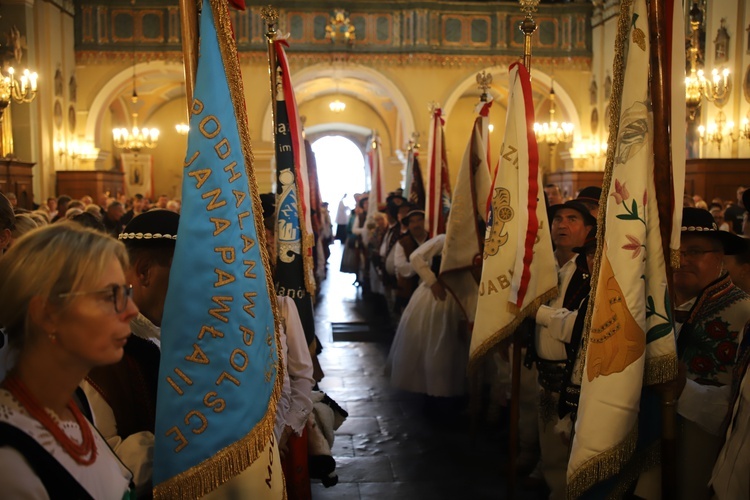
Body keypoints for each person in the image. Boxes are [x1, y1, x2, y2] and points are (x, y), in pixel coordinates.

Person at [0, 222, 137, 497]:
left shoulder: (73, 400)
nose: (132, 310)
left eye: (126, 292)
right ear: (48, 314)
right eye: (112, 295)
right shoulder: (10, 461)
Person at [670, 207, 750, 500]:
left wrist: (683, 391)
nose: (682, 259)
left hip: (708, 452)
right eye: (675, 250)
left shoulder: (744, 313)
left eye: (694, 251)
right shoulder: (650, 307)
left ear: (719, 259)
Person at [533, 199, 596, 499]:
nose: (562, 224)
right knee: (550, 453)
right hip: (544, 375)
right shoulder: (540, 267)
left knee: (574, 451)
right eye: (557, 218)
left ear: (588, 230)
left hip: (575, 380)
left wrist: (537, 313)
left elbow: (582, 326)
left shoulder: (591, 271)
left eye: (572, 219)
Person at [388, 233, 470, 400]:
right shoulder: (444, 239)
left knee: (454, 347)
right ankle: (432, 389)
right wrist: (432, 281)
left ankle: (452, 392)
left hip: (462, 297)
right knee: (435, 342)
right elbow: (416, 257)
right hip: (437, 295)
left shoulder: (475, 242)